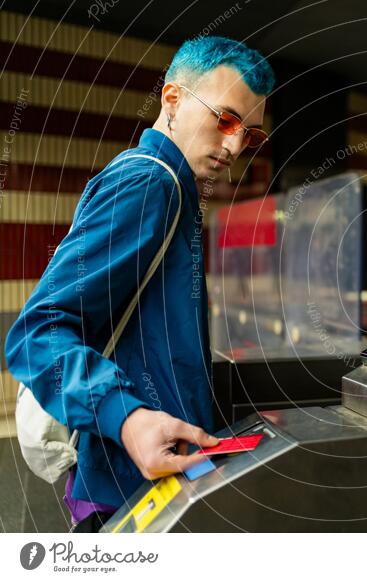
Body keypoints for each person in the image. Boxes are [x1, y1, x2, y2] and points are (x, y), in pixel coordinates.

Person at [4, 36, 275, 532]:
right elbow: (38, 332)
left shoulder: (177, 191)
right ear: (171, 100)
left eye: (251, 136)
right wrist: (126, 417)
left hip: (158, 483)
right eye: (226, 120)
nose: (235, 146)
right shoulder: (149, 183)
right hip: (123, 491)